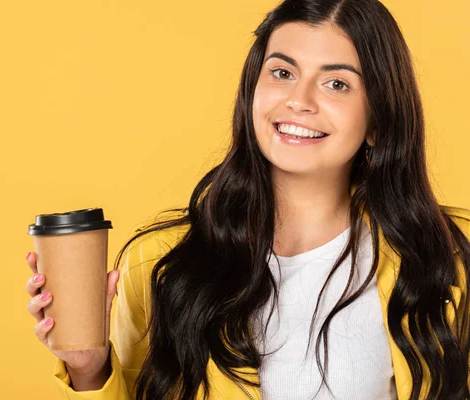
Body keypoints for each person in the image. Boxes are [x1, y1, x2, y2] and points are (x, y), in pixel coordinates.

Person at [24, 0, 470, 398]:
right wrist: (88, 371)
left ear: (378, 119)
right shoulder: (160, 267)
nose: (299, 100)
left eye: (336, 84)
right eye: (282, 73)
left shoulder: (446, 260)